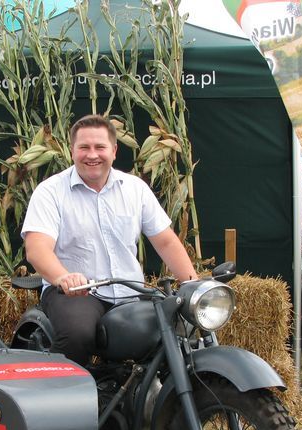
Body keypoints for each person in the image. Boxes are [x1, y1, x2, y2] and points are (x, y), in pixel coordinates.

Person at [21, 114, 199, 365]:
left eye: (100, 147)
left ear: (114, 151)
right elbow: (37, 249)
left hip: (131, 292)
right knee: (78, 333)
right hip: (77, 294)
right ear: (72, 150)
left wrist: (194, 286)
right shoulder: (50, 192)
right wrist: (63, 277)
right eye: (84, 147)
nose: (92, 154)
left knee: (178, 330)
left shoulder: (135, 189)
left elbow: (166, 242)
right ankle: (66, 396)